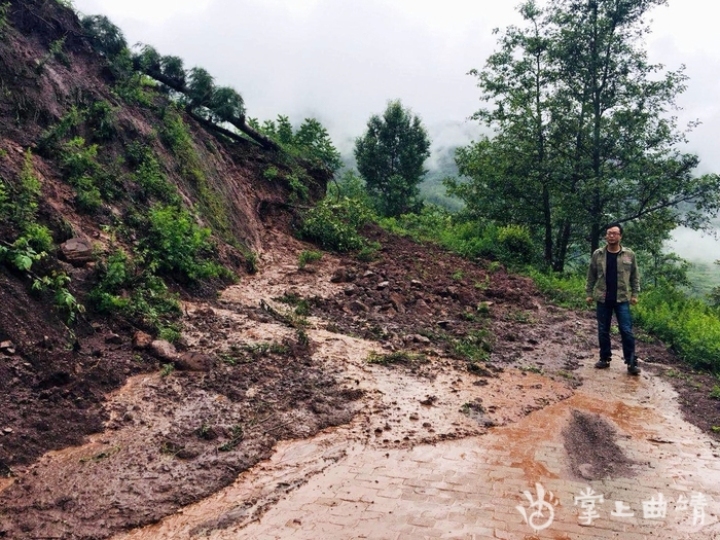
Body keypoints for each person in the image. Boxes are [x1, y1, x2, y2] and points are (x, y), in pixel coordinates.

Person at [585, 223, 641, 375]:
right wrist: (589, 293)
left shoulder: (629, 255)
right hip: (603, 298)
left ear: (620, 236)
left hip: (622, 299)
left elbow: (635, 276)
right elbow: (591, 274)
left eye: (615, 233)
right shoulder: (598, 254)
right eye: (609, 233)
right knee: (603, 330)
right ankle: (604, 358)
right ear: (606, 236)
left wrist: (635, 294)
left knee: (626, 330)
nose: (611, 236)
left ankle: (631, 362)